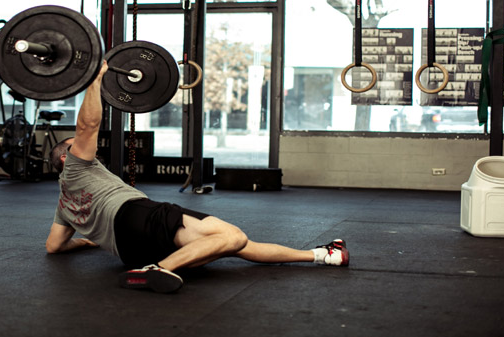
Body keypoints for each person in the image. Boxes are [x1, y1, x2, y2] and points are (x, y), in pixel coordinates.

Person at [46, 61, 349, 293]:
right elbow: (87, 126)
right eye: (74, 147)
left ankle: (322, 255)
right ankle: (157, 269)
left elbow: (54, 246)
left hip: (128, 250)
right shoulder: (76, 166)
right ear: (65, 157)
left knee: (236, 245)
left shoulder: (64, 204)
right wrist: (95, 80)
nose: (86, 148)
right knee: (234, 237)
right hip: (136, 215)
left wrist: (86, 243)